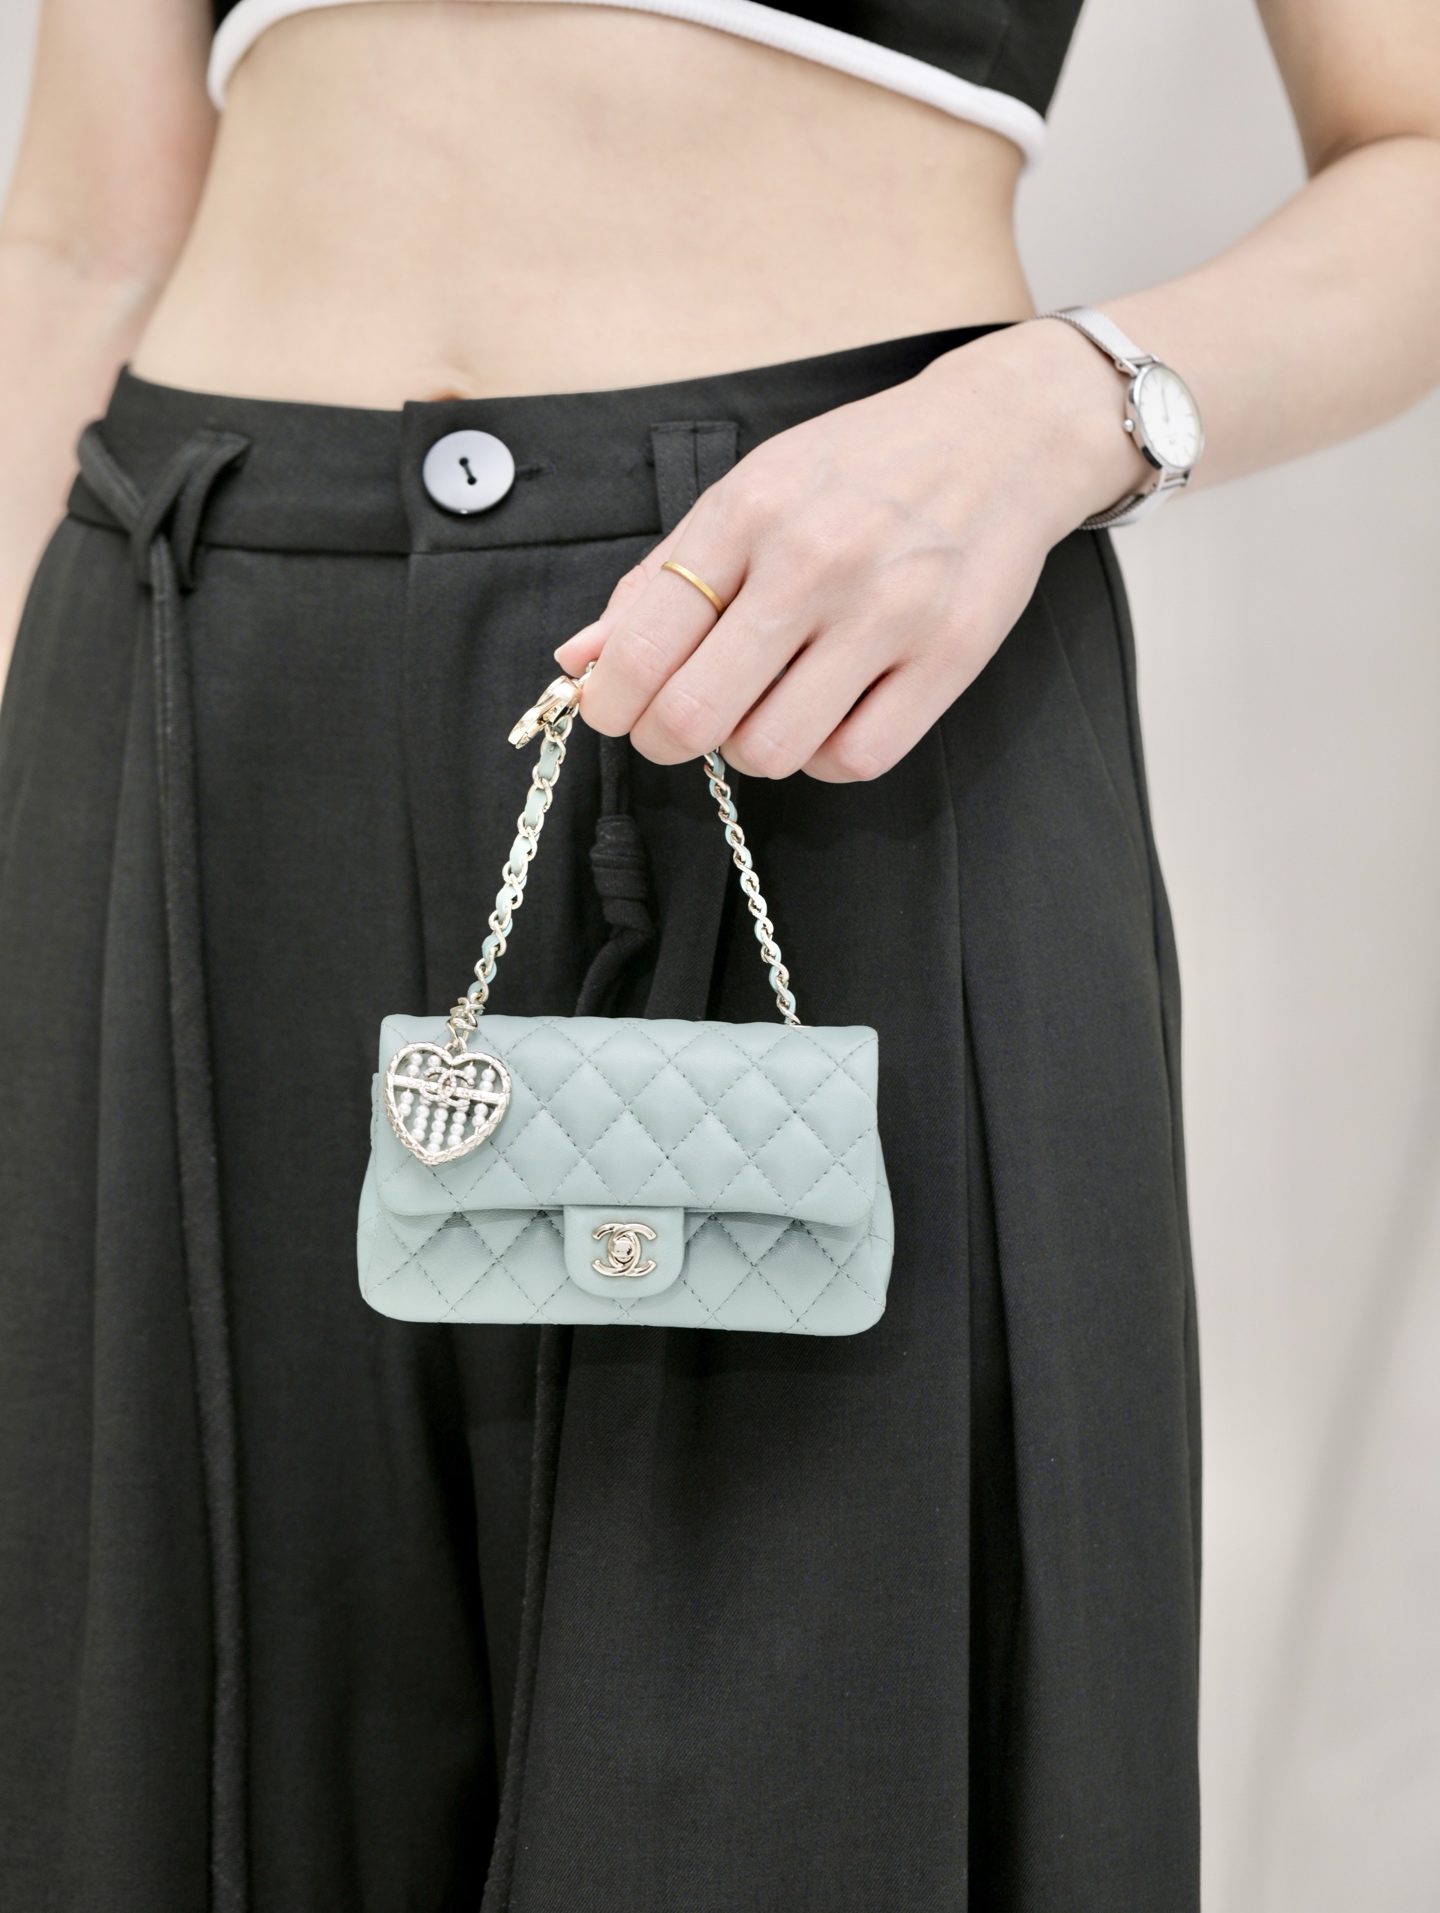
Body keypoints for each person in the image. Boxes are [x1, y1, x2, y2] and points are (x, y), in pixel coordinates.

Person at [0, 0, 1437, 1906]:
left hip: (829, 672)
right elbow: (82, 234)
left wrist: (1055, 412)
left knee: (812, 1797)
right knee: (147, 1784)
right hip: (187, 666)